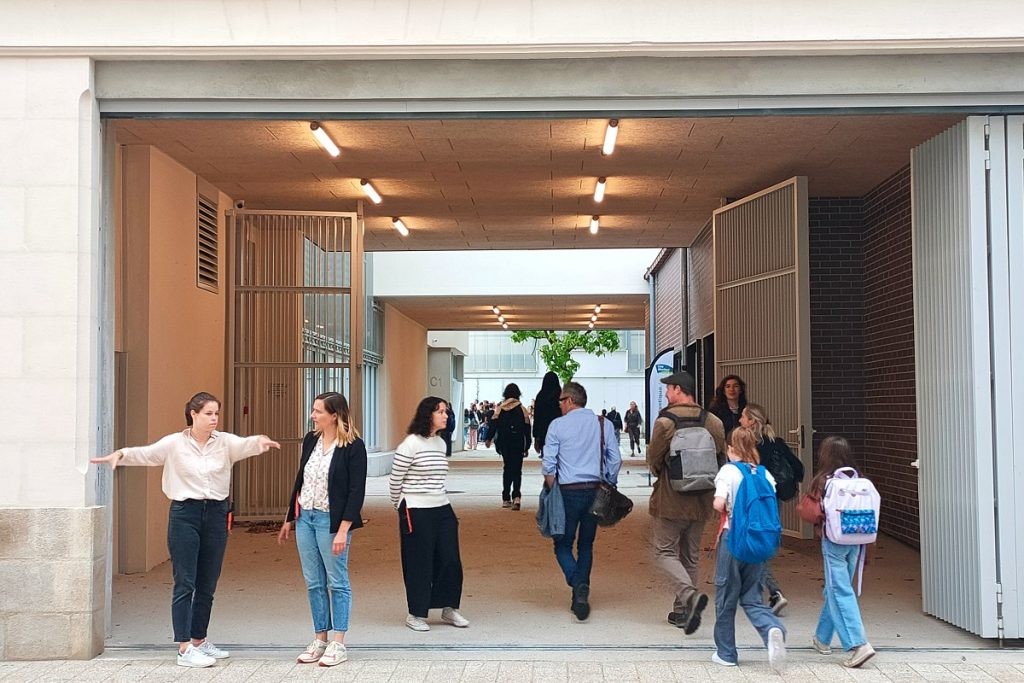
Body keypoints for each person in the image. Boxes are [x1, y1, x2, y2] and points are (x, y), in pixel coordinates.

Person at [90, 392, 280, 668]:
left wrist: (260, 441)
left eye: (217, 414)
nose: (214, 419)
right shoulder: (174, 443)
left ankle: (200, 640)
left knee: (208, 582)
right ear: (193, 414)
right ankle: (184, 648)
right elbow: (146, 454)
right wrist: (119, 455)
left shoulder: (225, 442)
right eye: (208, 414)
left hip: (215, 513)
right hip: (184, 514)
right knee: (185, 581)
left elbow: (245, 444)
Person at [278, 392, 366, 667]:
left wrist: (343, 530)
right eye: (313, 410)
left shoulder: (353, 446)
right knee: (314, 581)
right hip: (306, 517)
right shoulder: (311, 440)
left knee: (337, 581)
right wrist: (289, 518)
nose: (312, 415)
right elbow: (300, 479)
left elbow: (356, 492)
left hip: (332, 522)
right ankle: (320, 638)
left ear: (334, 415)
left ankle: (338, 643)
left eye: (318, 411)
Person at [646, 371, 725, 634]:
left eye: (669, 389)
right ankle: (682, 612)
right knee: (690, 556)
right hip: (702, 499)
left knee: (664, 552)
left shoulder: (665, 422)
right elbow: (721, 459)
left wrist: (664, 474)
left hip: (671, 499)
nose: (667, 394)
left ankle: (689, 596)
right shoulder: (713, 421)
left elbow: (654, 460)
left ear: (679, 390)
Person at [542, 381, 622, 621]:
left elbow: (549, 463)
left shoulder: (557, 426)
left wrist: (550, 487)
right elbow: (615, 459)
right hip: (595, 491)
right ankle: (581, 590)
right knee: (586, 545)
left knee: (563, 544)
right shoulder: (603, 424)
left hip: (567, 491)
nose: (559, 406)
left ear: (569, 400)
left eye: (560, 401)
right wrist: (608, 479)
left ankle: (578, 585)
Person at [389, 396, 469, 632]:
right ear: (428, 415)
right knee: (419, 562)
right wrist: (400, 506)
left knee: (450, 559)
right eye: (441, 411)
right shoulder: (410, 444)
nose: (446, 415)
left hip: (442, 506)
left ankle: (449, 607)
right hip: (416, 508)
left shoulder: (440, 443)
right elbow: (396, 480)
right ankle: (416, 613)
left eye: (446, 411)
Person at [711, 427, 787, 672]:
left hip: (733, 539)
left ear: (731, 448)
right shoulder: (765, 475)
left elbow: (719, 503)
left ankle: (726, 653)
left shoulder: (728, 471)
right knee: (753, 597)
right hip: (758, 543)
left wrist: (718, 501)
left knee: (726, 596)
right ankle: (771, 628)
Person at [804, 436, 876, 668]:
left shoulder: (823, 480)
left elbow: (811, 512)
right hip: (857, 540)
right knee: (835, 588)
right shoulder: (859, 478)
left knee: (840, 590)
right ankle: (822, 638)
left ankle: (858, 644)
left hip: (834, 541)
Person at [740, 402, 805, 615]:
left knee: (752, 549)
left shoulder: (748, 446)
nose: (740, 420)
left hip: (753, 502)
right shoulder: (776, 442)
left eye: (743, 417)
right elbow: (798, 468)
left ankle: (774, 592)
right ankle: (753, 589)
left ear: (751, 421)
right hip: (772, 502)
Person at [486, 383, 531, 510]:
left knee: (507, 468)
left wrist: (488, 438)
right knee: (517, 470)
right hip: (518, 443)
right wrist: (527, 446)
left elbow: (493, 424)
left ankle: (506, 498)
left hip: (505, 443)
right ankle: (516, 496)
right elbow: (527, 429)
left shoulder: (500, 408)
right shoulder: (522, 409)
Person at [532, 372, 561, 456]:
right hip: (559, 431)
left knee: (547, 457)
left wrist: (536, 436)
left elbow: (537, 417)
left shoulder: (540, 396)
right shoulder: (561, 395)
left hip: (544, 432)